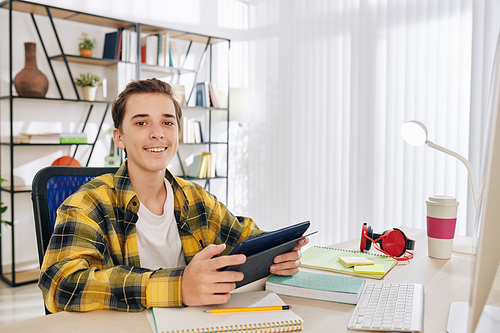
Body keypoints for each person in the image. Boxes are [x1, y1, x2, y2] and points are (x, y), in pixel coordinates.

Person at [38, 78, 308, 313]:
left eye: (167, 122)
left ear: (178, 133)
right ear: (119, 137)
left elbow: (246, 239)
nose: (157, 133)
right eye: (142, 122)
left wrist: (279, 254)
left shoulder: (194, 197)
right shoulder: (88, 203)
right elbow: (60, 284)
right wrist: (177, 287)